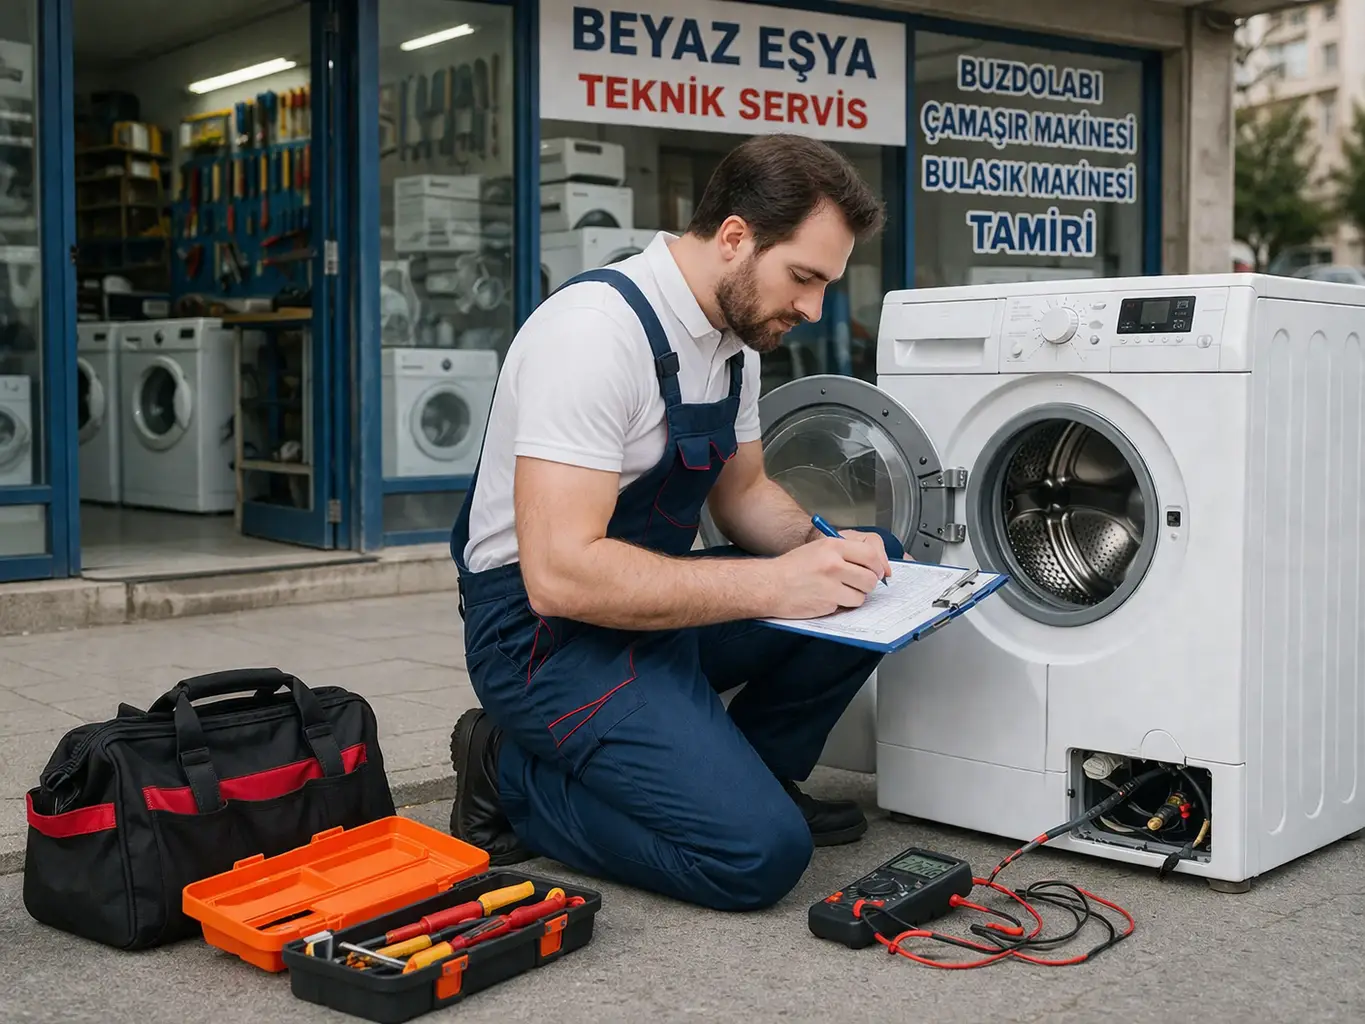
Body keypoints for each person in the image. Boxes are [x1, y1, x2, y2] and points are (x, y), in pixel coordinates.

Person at [447, 132, 902, 912]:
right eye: (803, 277)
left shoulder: (734, 343)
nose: (812, 308)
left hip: (652, 607)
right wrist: (776, 587)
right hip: (542, 638)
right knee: (755, 857)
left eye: (825, 284)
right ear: (734, 238)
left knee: (865, 571)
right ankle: (506, 771)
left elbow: (744, 495)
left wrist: (823, 550)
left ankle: (755, 777)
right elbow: (558, 577)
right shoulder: (593, 335)